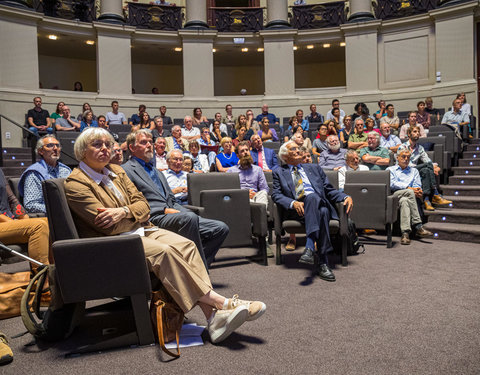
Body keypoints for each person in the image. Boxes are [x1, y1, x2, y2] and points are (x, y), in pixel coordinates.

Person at [65, 128, 265, 344]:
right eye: (97, 144)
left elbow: (143, 205)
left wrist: (124, 212)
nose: (105, 148)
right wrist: (134, 214)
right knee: (166, 252)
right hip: (114, 244)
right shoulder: (76, 183)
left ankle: (213, 319)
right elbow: (108, 227)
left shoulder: (116, 172)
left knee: (187, 245)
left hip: (141, 228)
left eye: (107, 143)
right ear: (82, 151)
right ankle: (224, 303)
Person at [124, 130, 229, 268]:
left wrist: (178, 210)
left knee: (221, 228)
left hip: (172, 212)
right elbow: (131, 201)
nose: (149, 145)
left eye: (150, 142)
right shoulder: (126, 170)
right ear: (132, 147)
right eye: (144, 142)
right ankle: (200, 275)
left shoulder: (156, 171)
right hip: (153, 217)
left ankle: (191, 266)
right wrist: (164, 210)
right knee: (189, 218)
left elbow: (171, 199)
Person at [272, 141, 353, 282]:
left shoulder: (314, 168)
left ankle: (310, 248)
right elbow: (276, 195)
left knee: (313, 197)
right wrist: (293, 203)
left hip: (316, 201)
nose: (298, 151)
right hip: (298, 211)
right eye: (294, 149)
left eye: (298, 148)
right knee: (323, 212)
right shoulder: (278, 172)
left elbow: (329, 190)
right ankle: (323, 262)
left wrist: (346, 196)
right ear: (285, 156)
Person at [0, 168, 49, 273]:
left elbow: (12, 200)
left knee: (49, 223)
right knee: (38, 226)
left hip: (8, 222)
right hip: (3, 223)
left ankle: (54, 272)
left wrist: (25, 219)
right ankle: (42, 277)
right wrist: (16, 224)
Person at [398, 126, 452, 211]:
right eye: (415, 131)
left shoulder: (419, 148)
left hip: (415, 170)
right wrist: (431, 166)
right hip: (405, 170)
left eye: (418, 132)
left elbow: (427, 160)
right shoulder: (402, 147)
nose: (417, 134)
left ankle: (427, 201)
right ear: (409, 134)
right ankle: (435, 193)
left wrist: (435, 166)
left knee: (426, 170)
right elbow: (405, 163)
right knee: (427, 166)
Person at [387, 149, 433, 245]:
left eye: (408, 157)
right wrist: (409, 188)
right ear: (397, 158)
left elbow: (417, 186)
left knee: (404, 201)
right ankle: (418, 225)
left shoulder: (414, 171)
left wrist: (417, 190)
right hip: (395, 195)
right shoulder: (390, 170)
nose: (406, 159)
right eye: (403, 157)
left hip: (408, 196)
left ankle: (405, 234)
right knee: (409, 192)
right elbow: (392, 184)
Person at [19, 135, 71, 213]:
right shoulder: (34, 173)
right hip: (51, 217)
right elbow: (31, 204)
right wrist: (58, 209)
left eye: (57, 145)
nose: (55, 148)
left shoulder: (66, 170)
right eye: (50, 145)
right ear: (40, 151)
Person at [228, 141, 269, 207]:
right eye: (242, 151)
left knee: (263, 193)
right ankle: (259, 213)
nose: (245, 152)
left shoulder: (258, 169)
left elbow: (264, 188)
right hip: (240, 197)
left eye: (247, 150)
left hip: (255, 196)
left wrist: (254, 194)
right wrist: (244, 194)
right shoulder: (231, 171)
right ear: (238, 155)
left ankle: (260, 212)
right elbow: (229, 191)